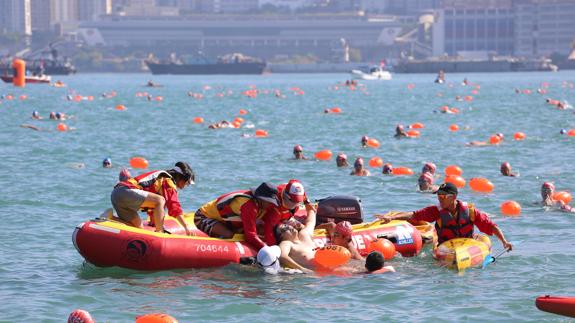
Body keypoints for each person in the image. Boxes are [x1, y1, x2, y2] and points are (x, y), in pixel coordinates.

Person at [377, 182, 513, 250]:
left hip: (467, 245)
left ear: (453, 197)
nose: (440, 199)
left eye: (443, 196)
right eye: (438, 196)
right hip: (446, 247)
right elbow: (414, 215)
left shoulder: (470, 211)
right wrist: (392, 218)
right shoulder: (436, 211)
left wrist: (504, 242)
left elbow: (491, 226)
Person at [194, 179, 314, 250]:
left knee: (259, 229)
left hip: (229, 221)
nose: (271, 205)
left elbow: (297, 188)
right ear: (261, 199)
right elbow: (250, 235)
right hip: (203, 217)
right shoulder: (249, 206)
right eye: (269, 202)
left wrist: (307, 203)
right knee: (231, 235)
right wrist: (268, 249)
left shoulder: (270, 200)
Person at [111, 161, 195, 235]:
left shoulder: (160, 180)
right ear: (180, 178)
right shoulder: (168, 180)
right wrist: (186, 227)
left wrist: (153, 221)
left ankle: (110, 218)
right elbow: (174, 206)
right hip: (125, 191)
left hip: (116, 194)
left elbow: (153, 205)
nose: (185, 186)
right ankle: (160, 232)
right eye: (186, 183)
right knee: (160, 200)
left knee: (138, 229)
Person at [276, 200, 318, 274]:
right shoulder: (286, 243)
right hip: (313, 274)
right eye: (284, 229)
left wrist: (310, 209)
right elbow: (282, 256)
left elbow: (310, 222)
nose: (289, 227)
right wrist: (302, 269)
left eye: (287, 225)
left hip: (330, 264)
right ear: (281, 237)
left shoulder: (304, 234)